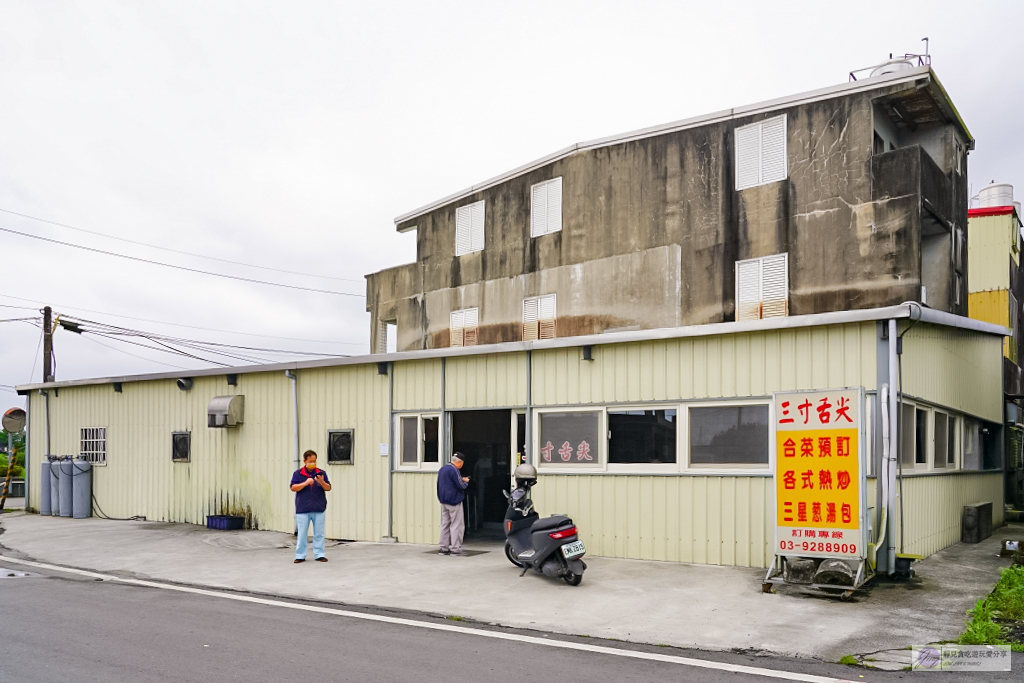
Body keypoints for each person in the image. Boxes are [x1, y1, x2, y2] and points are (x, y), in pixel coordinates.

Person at [290, 450, 332, 563]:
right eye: (310, 461)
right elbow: (293, 487)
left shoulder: (321, 473)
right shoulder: (298, 474)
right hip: (303, 508)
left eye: (314, 461)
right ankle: (300, 555)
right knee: (302, 533)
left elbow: (328, 488)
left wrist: (322, 482)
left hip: (319, 507)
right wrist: (305, 483)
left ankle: (319, 554)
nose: (313, 463)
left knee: (319, 533)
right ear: (305, 461)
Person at [437, 452, 470, 556]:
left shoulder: (443, 469)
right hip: (454, 501)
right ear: (459, 462)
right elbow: (461, 485)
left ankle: (443, 548)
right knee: (457, 525)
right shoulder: (454, 470)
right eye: (462, 463)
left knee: (445, 524)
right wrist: (466, 481)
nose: (462, 466)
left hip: (444, 500)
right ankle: (455, 549)